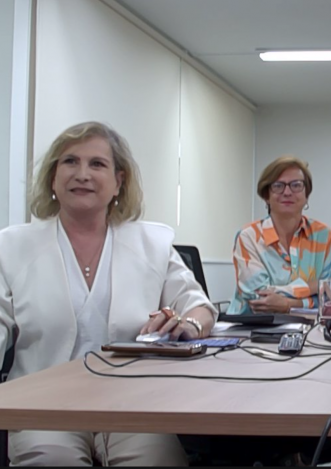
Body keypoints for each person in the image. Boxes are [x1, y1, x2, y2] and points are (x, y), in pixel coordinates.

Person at [0, 121, 216, 466]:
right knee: (52, 461)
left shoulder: (152, 243)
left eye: (97, 164)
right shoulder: (12, 246)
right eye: (70, 161)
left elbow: (199, 307)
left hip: (133, 404)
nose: (82, 174)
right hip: (43, 406)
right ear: (53, 178)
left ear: (119, 181)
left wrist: (187, 324)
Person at [229, 156, 331, 314]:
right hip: (251, 326)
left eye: (296, 185)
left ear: (306, 195)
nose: (287, 192)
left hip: (306, 326)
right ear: (267, 196)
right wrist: (310, 288)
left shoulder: (322, 236)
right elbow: (258, 298)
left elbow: (324, 298)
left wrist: (286, 304)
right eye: (278, 186)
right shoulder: (249, 237)